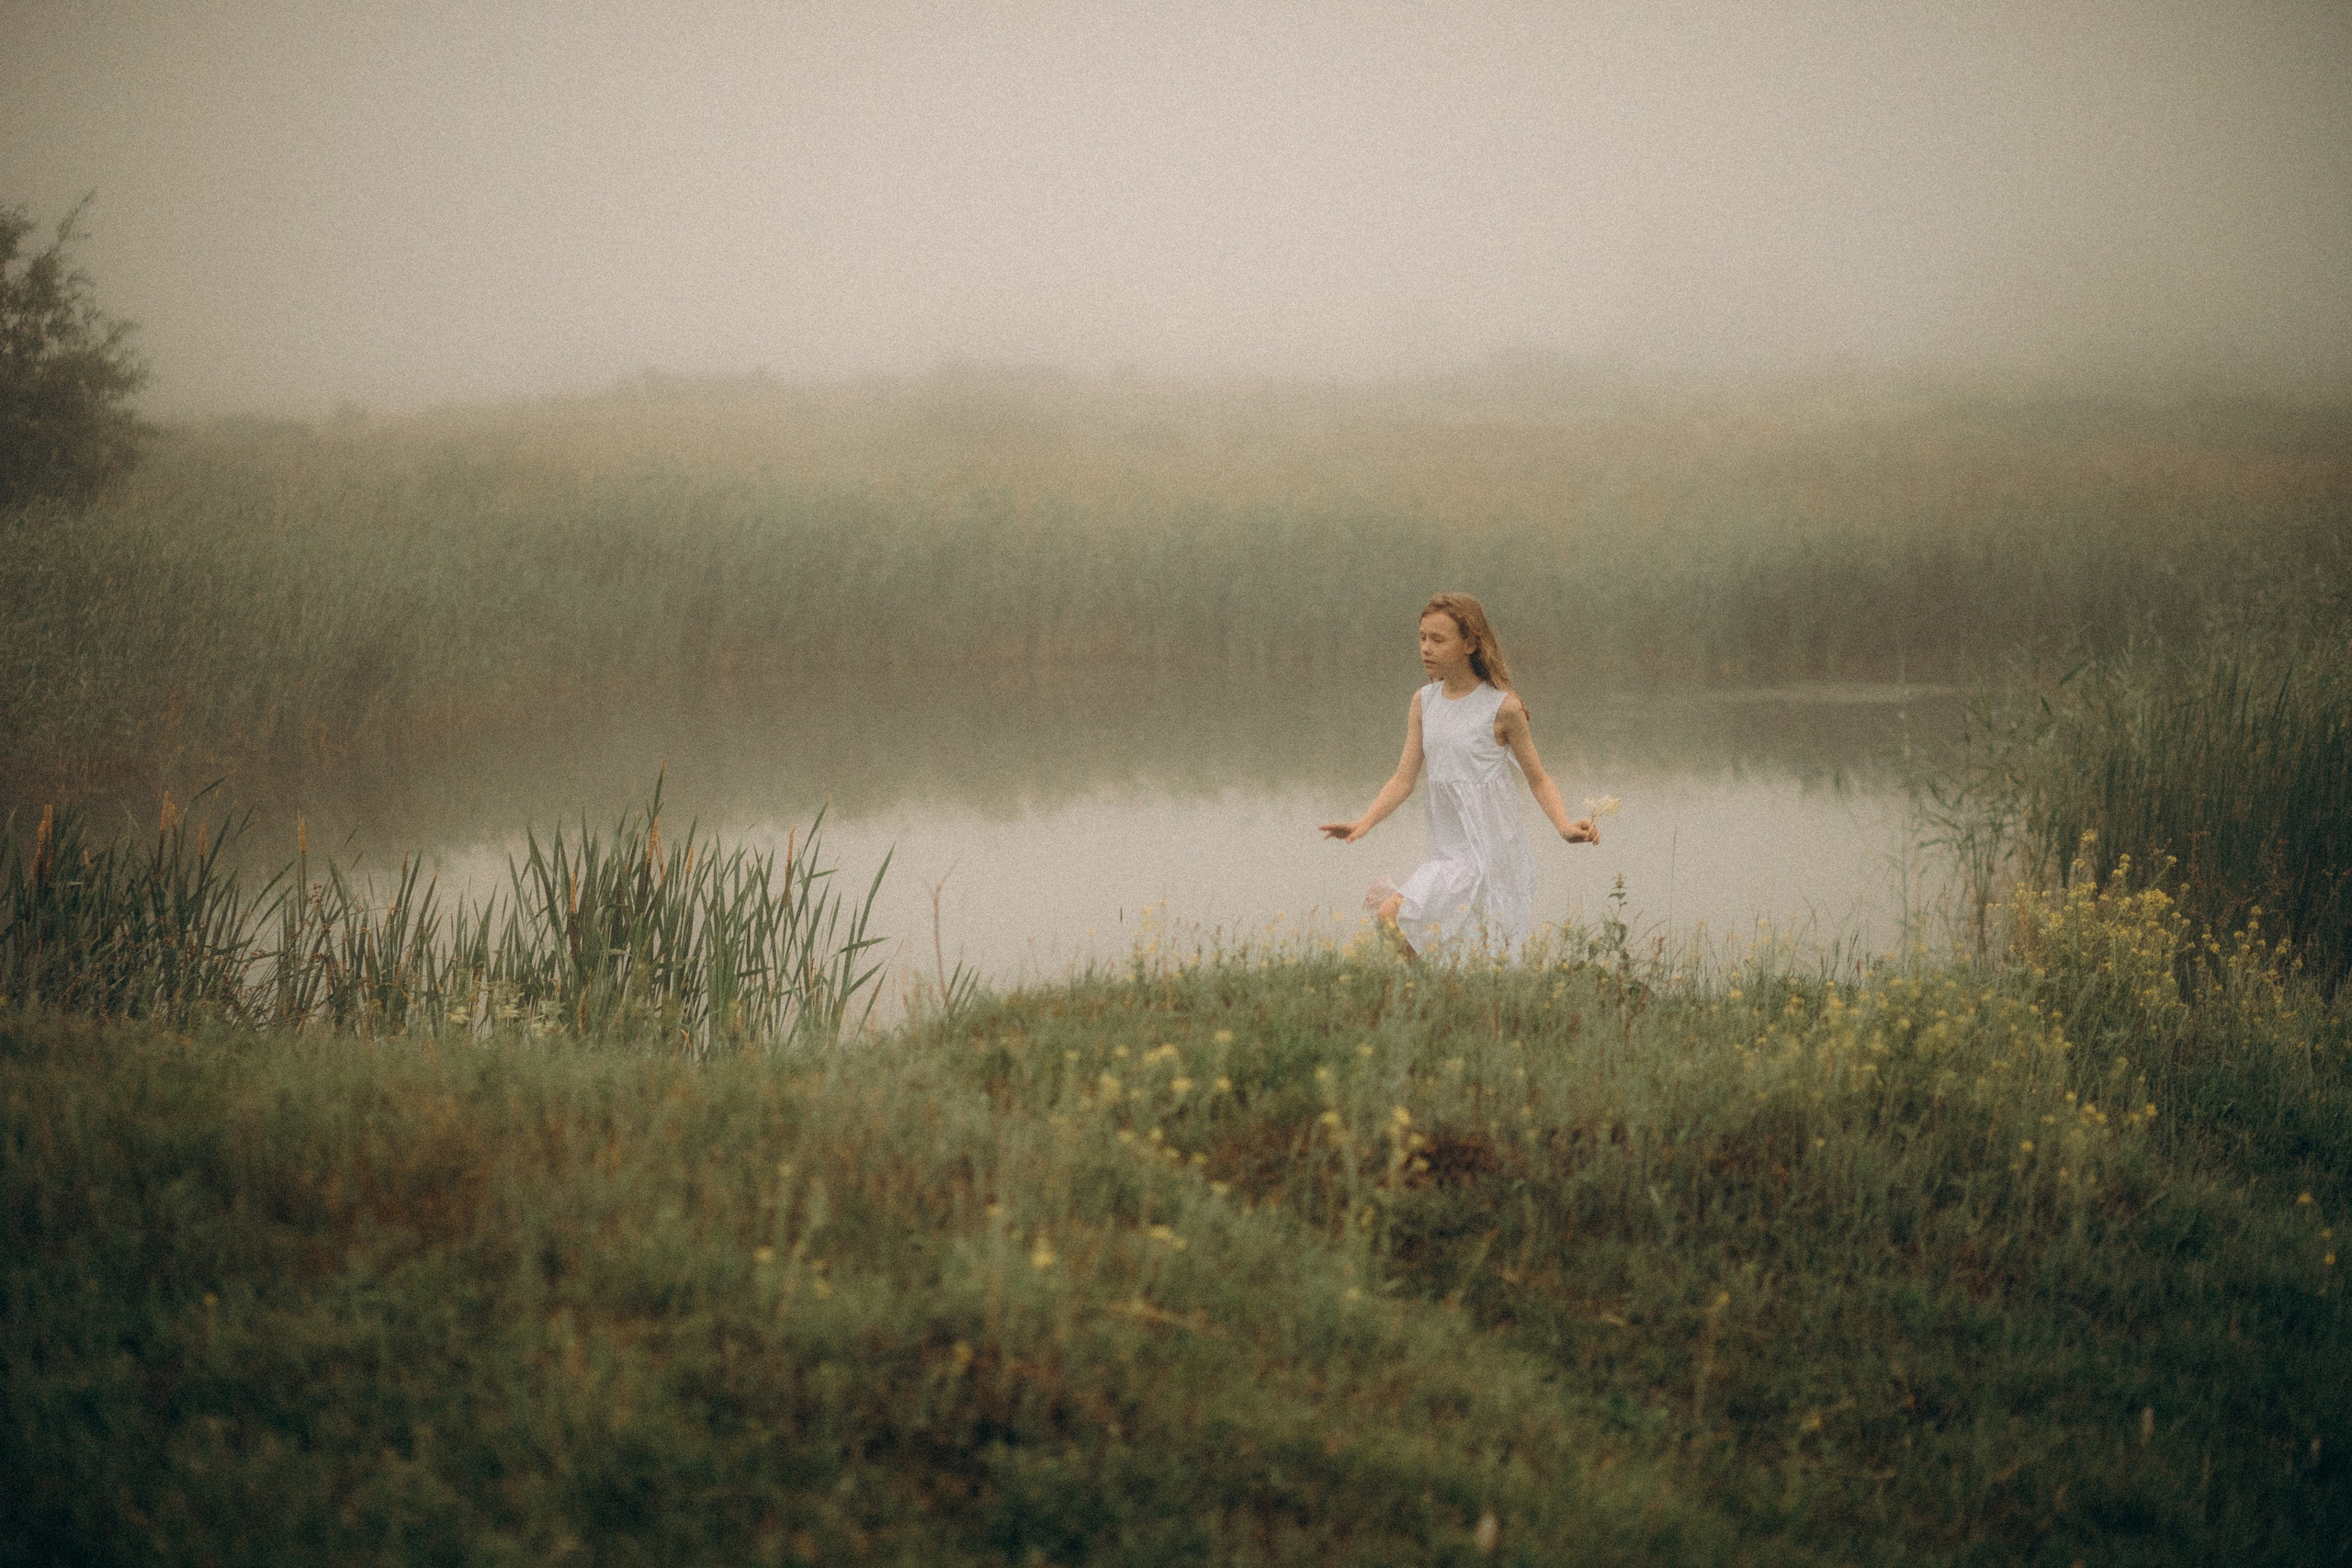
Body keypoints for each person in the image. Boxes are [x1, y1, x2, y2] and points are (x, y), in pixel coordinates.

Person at [1320, 592, 1598, 956]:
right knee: (1451, 950)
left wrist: (1563, 826)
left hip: (1491, 853)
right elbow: (1403, 779)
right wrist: (1364, 822)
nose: (1426, 648)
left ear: (1469, 644)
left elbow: (1538, 778)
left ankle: (1426, 986)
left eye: (1438, 639)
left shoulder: (1503, 707)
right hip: (1449, 850)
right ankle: (1430, 987)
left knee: (1395, 915)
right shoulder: (1424, 702)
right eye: (1422, 638)